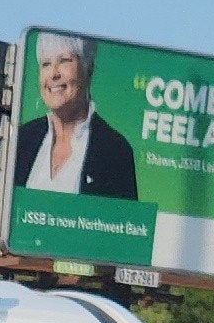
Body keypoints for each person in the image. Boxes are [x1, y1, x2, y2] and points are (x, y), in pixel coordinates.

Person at [17, 33, 140, 199]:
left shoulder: (115, 151)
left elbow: (124, 222)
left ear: (88, 70)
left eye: (64, 60)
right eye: (46, 64)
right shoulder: (21, 139)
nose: (53, 73)